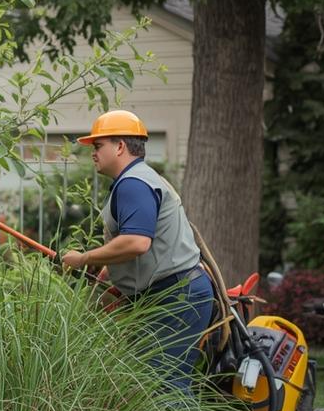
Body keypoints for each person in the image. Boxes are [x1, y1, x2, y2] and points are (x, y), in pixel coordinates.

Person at [59, 110, 216, 396]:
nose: (93, 154)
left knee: (165, 385)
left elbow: (136, 242)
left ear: (120, 146)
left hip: (175, 296)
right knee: (151, 382)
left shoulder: (133, 184)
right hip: (176, 293)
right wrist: (111, 269)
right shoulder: (141, 178)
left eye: (98, 146)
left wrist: (84, 259)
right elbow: (147, 244)